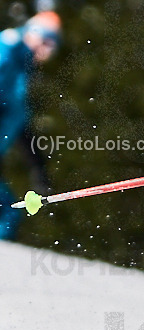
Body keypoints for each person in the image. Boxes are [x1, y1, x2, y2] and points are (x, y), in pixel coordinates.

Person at [0, 10, 60, 240]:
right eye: (45, 41)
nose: (47, 51)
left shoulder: (22, 68)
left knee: (8, 210)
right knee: (6, 211)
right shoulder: (6, 52)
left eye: (53, 45)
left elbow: (20, 125)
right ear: (31, 34)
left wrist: (38, 168)